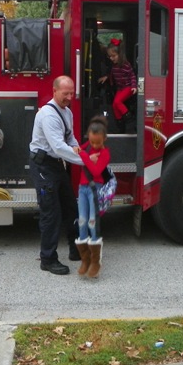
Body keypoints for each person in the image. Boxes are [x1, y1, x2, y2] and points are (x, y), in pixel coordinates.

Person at [28, 76, 82, 275]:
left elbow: (70, 138)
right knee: (51, 214)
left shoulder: (67, 112)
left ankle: (76, 249)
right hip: (43, 166)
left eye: (71, 93)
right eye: (65, 93)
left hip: (57, 165)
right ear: (54, 91)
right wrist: (87, 162)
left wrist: (77, 148)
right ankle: (48, 259)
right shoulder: (48, 116)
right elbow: (58, 147)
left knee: (71, 208)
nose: (69, 97)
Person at [74, 117, 111, 279]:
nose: (94, 145)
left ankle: (96, 261)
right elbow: (77, 150)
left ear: (105, 139)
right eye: (91, 142)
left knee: (92, 221)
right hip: (82, 188)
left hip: (95, 189)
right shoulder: (88, 146)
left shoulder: (105, 153)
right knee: (82, 220)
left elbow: (96, 172)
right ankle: (85, 259)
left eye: (98, 143)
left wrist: (84, 157)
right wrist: (83, 153)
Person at [98, 40, 137, 130]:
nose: (111, 58)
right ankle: (120, 123)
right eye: (110, 56)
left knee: (117, 102)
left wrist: (134, 86)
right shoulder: (113, 66)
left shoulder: (126, 65)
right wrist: (106, 77)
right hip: (120, 88)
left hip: (128, 87)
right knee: (114, 105)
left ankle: (129, 118)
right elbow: (111, 74)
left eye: (114, 56)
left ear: (120, 54)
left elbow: (132, 75)